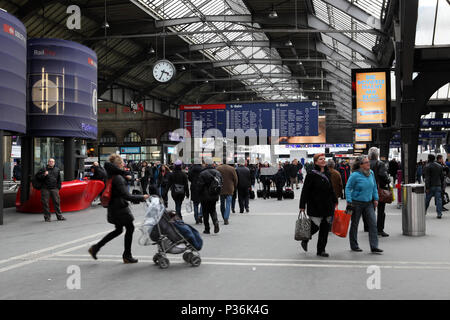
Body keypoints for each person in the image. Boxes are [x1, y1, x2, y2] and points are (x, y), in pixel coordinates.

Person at [88, 154, 149, 263]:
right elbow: (127, 196)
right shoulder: (118, 178)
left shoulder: (111, 175)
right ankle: (127, 255)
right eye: (122, 163)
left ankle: (96, 248)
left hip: (113, 207)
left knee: (119, 230)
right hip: (120, 208)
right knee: (129, 228)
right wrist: (142, 197)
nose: (124, 165)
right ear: (119, 165)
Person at [299, 153, 338, 257]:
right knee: (315, 226)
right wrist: (302, 205)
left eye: (324, 159)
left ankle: (321, 250)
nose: (323, 160)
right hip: (315, 205)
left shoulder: (327, 173)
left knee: (325, 228)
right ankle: (305, 238)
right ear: (316, 162)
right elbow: (305, 191)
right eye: (321, 159)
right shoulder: (311, 174)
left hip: (328, 204)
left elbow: (331, 188)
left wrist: (335, 200)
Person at [345, 156, 383, 254]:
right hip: (356, 203)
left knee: (373, 224)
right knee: (355, 224)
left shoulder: (371, 173)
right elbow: (348, 188)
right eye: (366, 163)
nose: (368, 164)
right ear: (360, 165)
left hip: (369, 203)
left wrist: (376, 198)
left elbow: (374, 186)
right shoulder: (355, 175)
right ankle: (354, 245)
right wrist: (349, 201)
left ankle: (374, 246)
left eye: (368, 162)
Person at [368, 147, 391, 237]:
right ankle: (379, 229)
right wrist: (388, 181)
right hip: (379, 189)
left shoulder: (366, 163)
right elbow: (383, 175)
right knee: (381, 210)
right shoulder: (380, 164)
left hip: (368, 189)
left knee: (369, 210)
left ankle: (369, 228)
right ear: (377, 155)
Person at [197, 163, 222, 234]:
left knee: (205, 212)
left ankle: (207, 229)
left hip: (204, 196)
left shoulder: (202, 173)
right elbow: (221, 183)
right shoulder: (217, 172)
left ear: (206, 165)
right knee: (213, 210)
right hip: (214, 195)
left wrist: (199, 193)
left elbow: (200, 185)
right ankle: (216, 222)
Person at [424, 154, 444, 219]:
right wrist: (441, 185)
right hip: (438, 185)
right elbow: (442, 177)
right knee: (439, 200)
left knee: (427, 200)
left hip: (430, 186)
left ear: (429, 158)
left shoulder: (428, 166)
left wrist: (427, 187)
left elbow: (427, 178)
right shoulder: (439, 166)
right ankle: (439, 213)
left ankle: (423, 212)